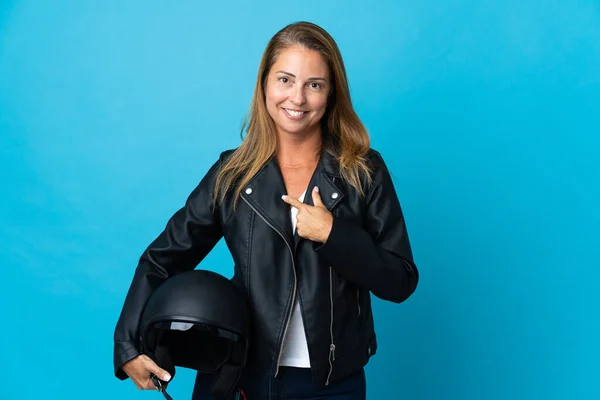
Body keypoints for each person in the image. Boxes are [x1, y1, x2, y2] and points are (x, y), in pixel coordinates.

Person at [113, 21, 419, 399]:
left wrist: (333, 235)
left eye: (314, 84)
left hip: (332, 385)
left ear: (331, 94)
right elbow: (161, 260)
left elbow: (401, 280)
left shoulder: (363, 171)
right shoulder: (232, 174)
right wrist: (128, 346)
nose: (298, 98)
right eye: (285, 80)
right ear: (265, 85)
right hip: (238, 377)